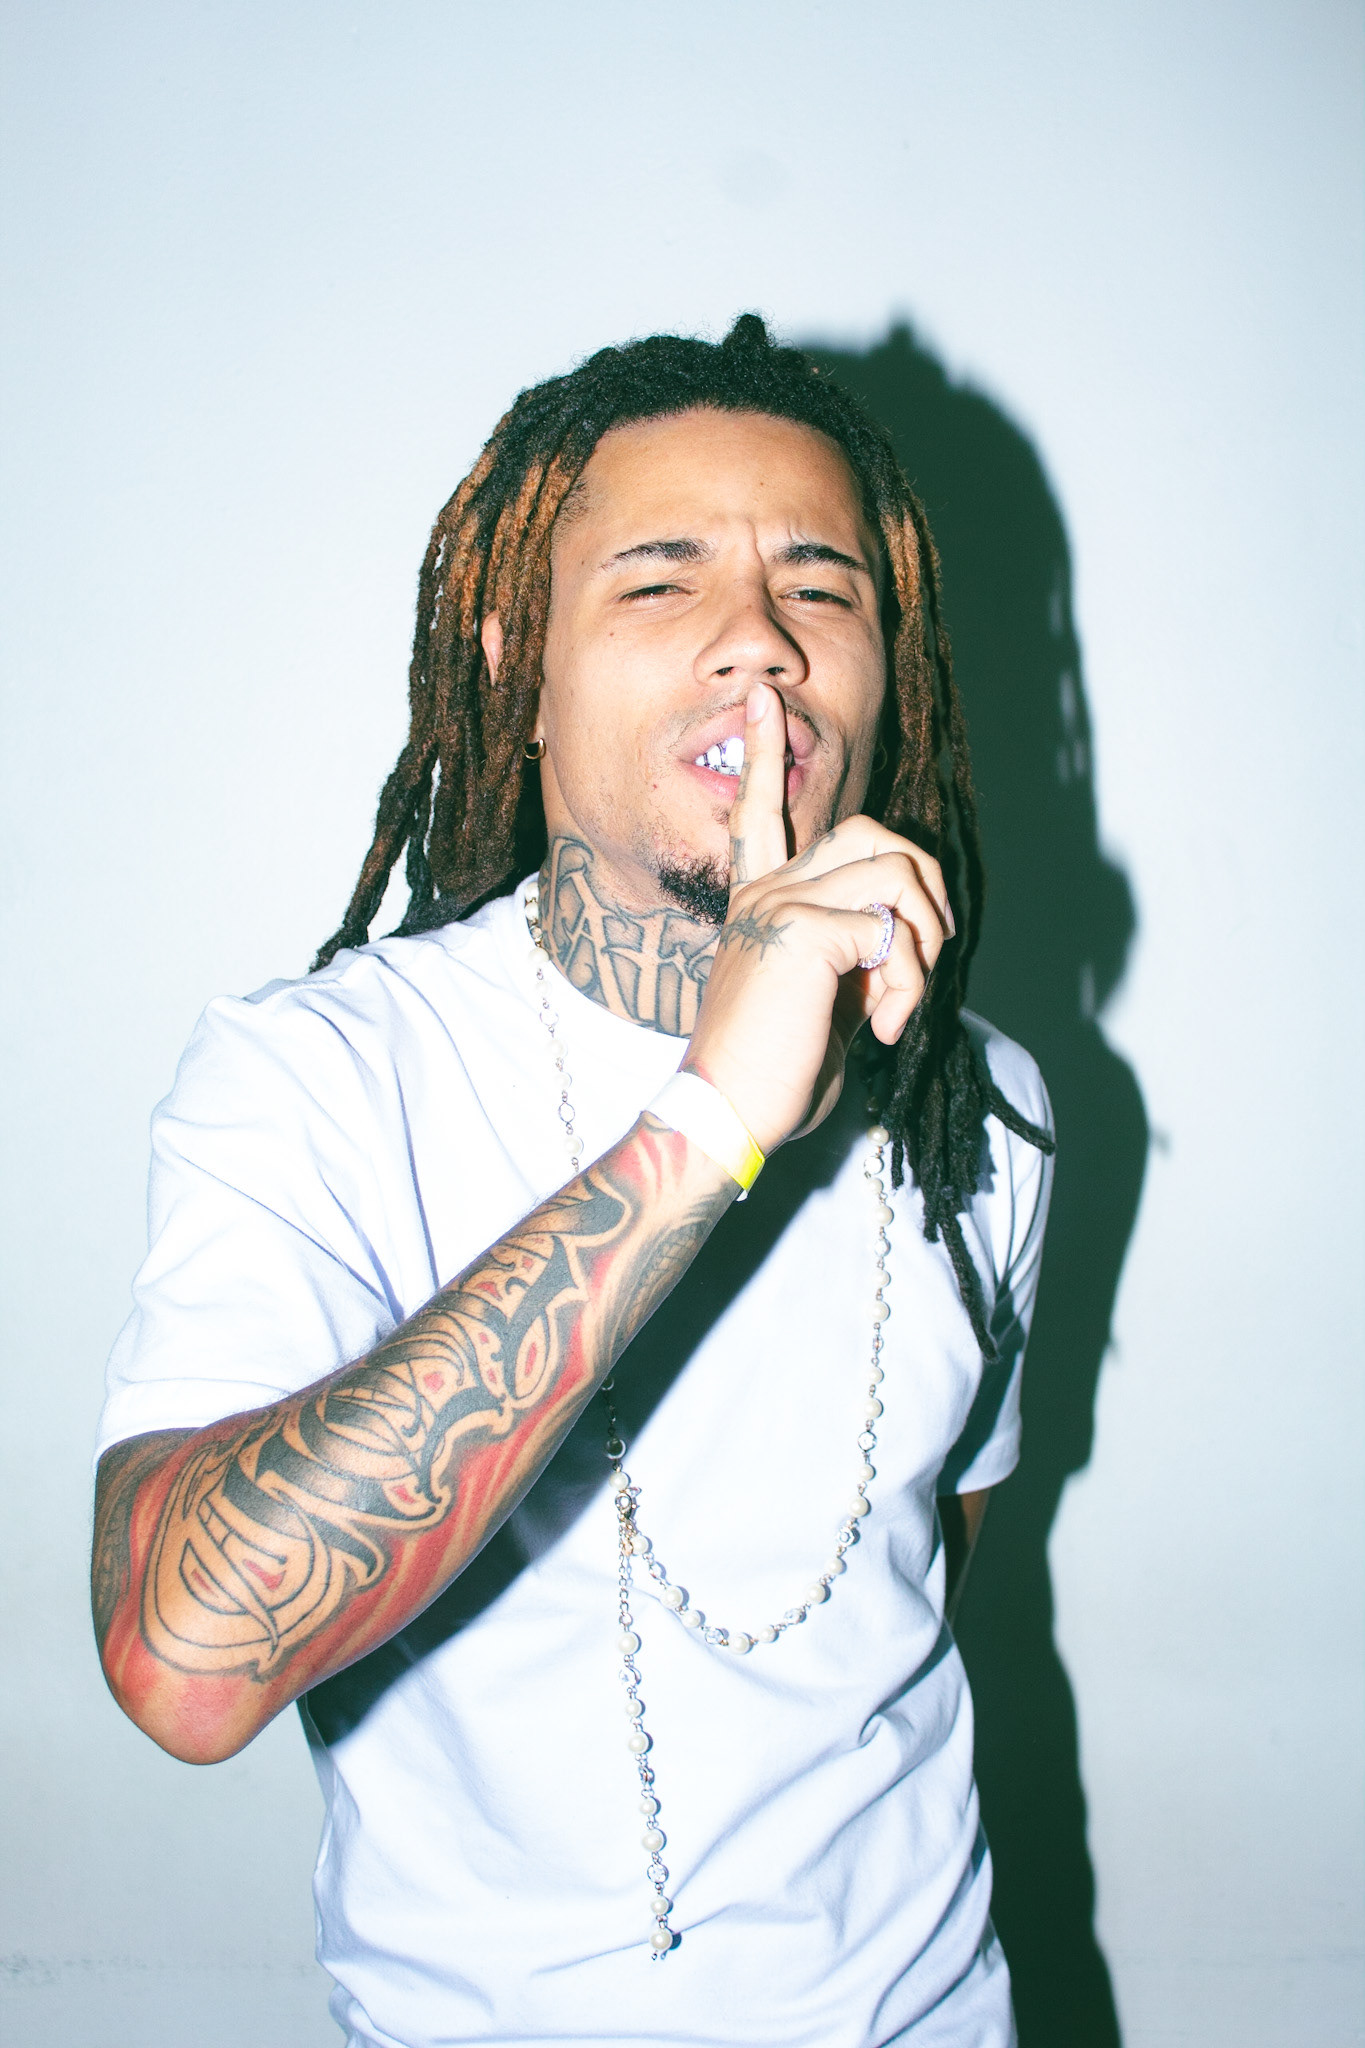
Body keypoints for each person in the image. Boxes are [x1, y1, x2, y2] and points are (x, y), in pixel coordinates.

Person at [91, 314, 1055, 2048]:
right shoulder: (324, 1075)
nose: (758, 640)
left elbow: (921, 1566)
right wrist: (711, 1118)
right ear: (517, 664)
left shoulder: (975, 1105)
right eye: (660, 582)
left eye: (820, 588)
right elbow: (189, 1659)